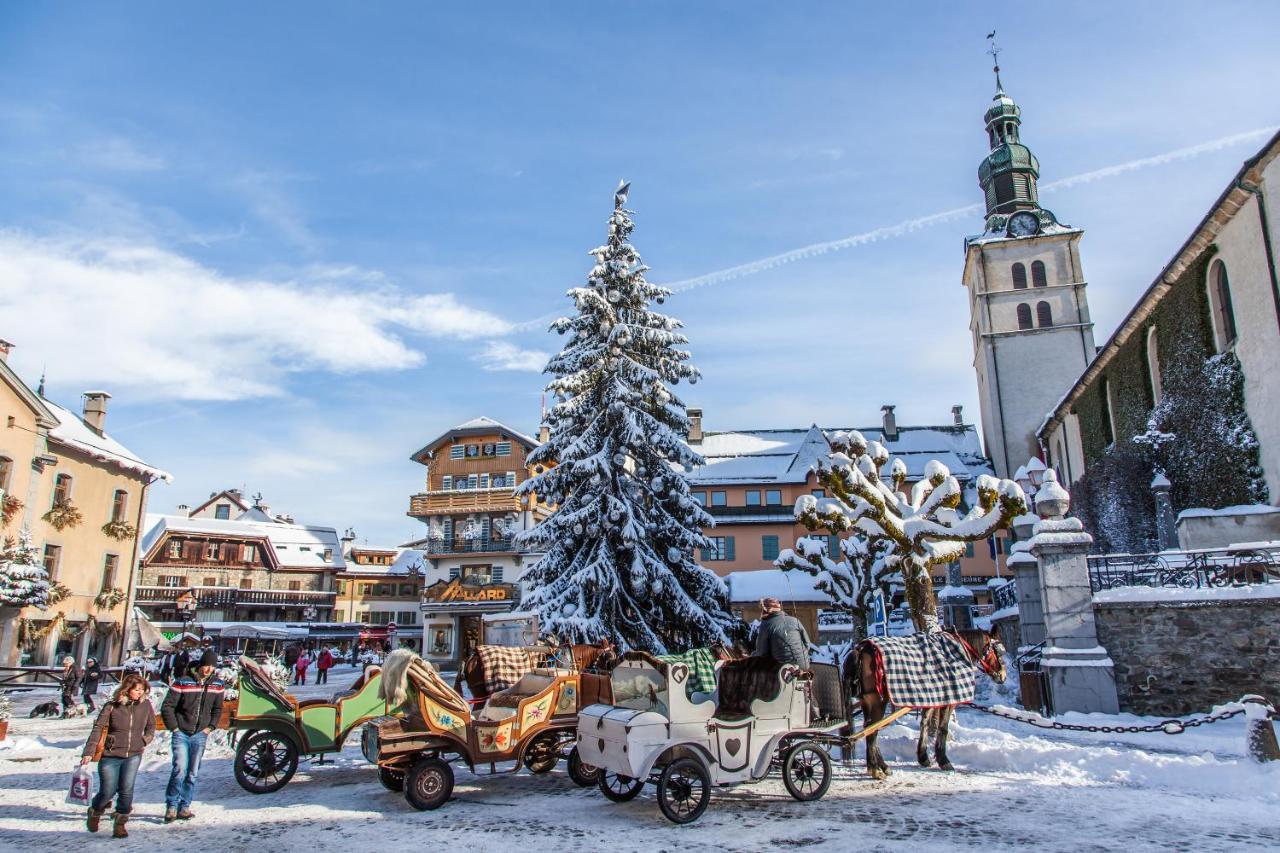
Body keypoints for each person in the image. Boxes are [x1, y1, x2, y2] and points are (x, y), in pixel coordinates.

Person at [81, 673, 155, 838]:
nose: (140, 693)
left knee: (126, 790)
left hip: (134, 754)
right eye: (137, 690)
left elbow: (151, 726)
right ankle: (95, 811)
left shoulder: (145, 705)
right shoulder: (112, 706)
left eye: (142, 690)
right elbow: (98, 728)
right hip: (111, 754)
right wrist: (88, 752)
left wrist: (145, 740)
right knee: (107, 790)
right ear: (127, 689)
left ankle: (120, 823)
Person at [160, 649, 225, 823]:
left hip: (200, 733)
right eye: (206, 666)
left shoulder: (217, 685)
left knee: (192, 773)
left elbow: (218, 708)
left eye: (212, 667)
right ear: (200, 664)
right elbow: (167, 706)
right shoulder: (183, 682)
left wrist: (210, 727)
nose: (208, 670)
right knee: (179, 769)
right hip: (181, 732)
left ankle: (185, 806)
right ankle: (172, 806)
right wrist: (174, 728)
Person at [754, 597, 812, 669]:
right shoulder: (795, 620)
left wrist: (752, 655)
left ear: (767, 610)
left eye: (762, 610)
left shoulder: (766, 625)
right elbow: (807, 644)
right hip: (804, 665)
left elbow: (762, 653)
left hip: (782, 669)